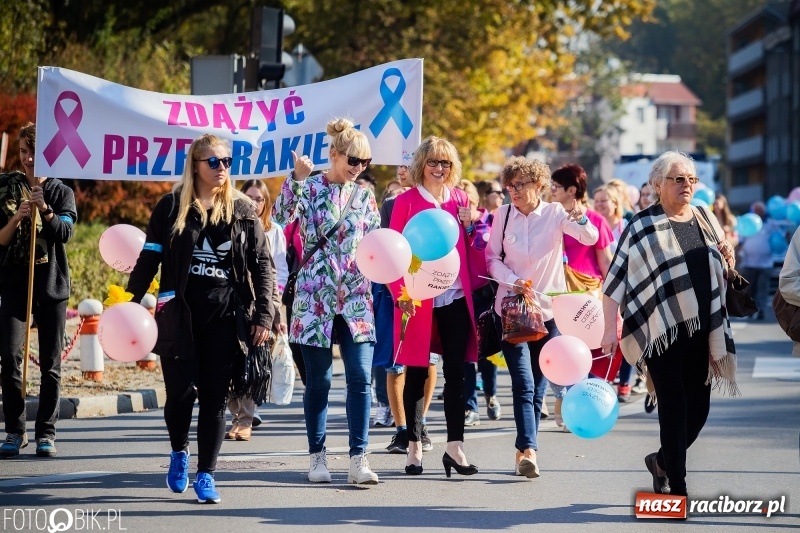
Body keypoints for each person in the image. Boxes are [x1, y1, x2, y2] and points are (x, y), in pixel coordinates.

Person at [126, 133, 276, 503]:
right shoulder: (170, 206)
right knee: (179, 395)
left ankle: (206, 474)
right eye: (214, 162)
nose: (222, 168)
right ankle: (179, 452)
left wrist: (264, 315)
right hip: (178, 317)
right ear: (195, 165)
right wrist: (130, 300)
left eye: (227, 161)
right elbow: (150, 256)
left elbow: (263, 267)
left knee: (213, 399)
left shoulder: (243, 211)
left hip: (225, 318)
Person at [601, 150, 738, 498]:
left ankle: (661, 461)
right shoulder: (641, 225)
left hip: (703, 330)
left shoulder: (705, 216)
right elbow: (614, 282)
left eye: (691, 179)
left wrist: (727, 255)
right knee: (674, 408)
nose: (687, 185)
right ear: (657, 184)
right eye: (679, 179)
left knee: (700, 410)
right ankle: (677, 486)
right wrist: (607, 330)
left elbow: (720, 258)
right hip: (661, 332)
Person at [273, 118, 381, 486]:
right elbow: (279, 217)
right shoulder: (310, 186)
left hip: (355, 297)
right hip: (313, 297)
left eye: (365, 163)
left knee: (360, 379)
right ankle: (317, 457)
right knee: (318, 382)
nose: (358, 168)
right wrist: (296, 179)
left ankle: (358, 459)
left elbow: (377, 246)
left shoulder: (365, 196)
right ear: (333, 154)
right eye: (353, 160)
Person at [487, 156, 598, 478]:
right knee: (522, 382)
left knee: (537, 387)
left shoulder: (554, 213)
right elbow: (491, 257)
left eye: (520, 185)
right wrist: (512, 281)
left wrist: (580, 219)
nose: (514, 191)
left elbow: (589, 238)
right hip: (512, 310)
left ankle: (524, 449)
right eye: (510, 185)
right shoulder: (502, 215)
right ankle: (530, 450)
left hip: (549, 314)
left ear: (539, 185)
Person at [389, 136, 480, 477]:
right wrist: (401, 293)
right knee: (417, 369)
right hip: (417, 299)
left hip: (455, 297)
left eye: (445, 163)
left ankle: (455, 447)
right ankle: (413, 446)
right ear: (421, 165)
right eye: (433, 162)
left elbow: (474, 248)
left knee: (457, 373)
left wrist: (472, 225)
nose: (439, 169)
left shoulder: (461, 199)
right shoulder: (407, 202)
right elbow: (392, 252)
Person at [0, 122, 77, 459]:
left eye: (34, 151)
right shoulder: (6, 188)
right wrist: (17, 217)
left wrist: (45, 209)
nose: (28, 158)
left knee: (50, 363)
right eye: (23, 152)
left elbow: (65, 233)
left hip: (51, 286)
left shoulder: (62, 192)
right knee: (10, 357)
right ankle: (15, 432)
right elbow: (0, 239)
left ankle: (46, 432)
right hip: (15, 285)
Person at [550, 165, 620, 413]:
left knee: (587, 352)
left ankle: (584, 403)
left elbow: (605, 261)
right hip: (556, 295)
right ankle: (563, 398)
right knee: (559, 349)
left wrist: (615, 297)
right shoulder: (548, 216)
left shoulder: (595, 220)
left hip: (588, 295)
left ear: (572, 190)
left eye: (556, 187)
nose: (551, 191)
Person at [225, 179, 288, 441]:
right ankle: (234, 415)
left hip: (261, 302)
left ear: (266, 202)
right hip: (233, 302)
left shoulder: (273, 231)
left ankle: (246, 418)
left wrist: (274, 313)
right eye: (249, 197)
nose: (254, 203)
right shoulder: (232, 224)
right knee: (230, 364)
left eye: (259, 199)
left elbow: (273, 272)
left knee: (253, 364)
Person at [454, 179, 501, 426]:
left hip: (485, 294)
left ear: (475, 201)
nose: (463, 209)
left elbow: (484, 250)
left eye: (468, 202)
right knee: (466, 355)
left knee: (486, 351)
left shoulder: (489, 220)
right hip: (461, 294)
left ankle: (491, 395)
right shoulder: (450, 223)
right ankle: (470, 405)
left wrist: (471, 226)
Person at [738, 201, 772, 320]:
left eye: (760, 210)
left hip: (766, 263)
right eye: (756, 210)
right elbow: (740, 241)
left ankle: (762, 310)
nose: (759, 212)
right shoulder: (747, 223)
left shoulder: (770, 224)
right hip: (749, 263)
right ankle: (751, 310)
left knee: (763, 288)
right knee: (750, 288)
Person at [593, 184, 627, 250]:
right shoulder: (591, 227)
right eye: (596, 201)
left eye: (603, 200)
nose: (599, 204)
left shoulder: (625, 226)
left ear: (615, 204)